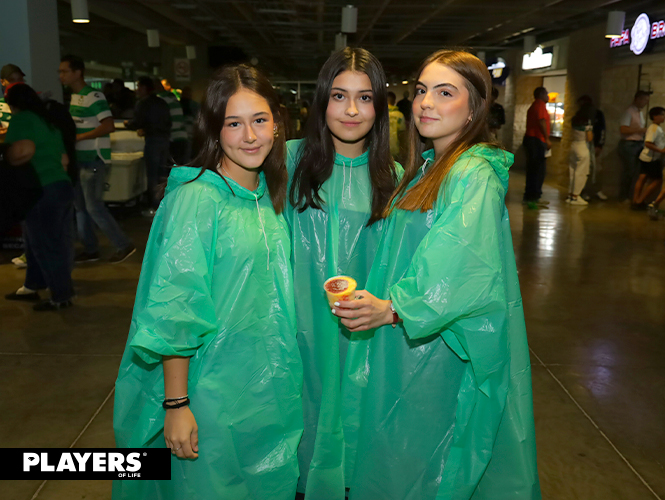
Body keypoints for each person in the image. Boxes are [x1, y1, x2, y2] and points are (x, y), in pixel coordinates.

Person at [334, 49, 540, 499]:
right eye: (422, 91)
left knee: (426, 462)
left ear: (475, 108)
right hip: (410, 348)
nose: (426, 102)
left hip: (440, 353)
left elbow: (462, 258)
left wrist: (394, 309)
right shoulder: (428, 168)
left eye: (445, 93)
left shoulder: (472, 172)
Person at [113, 64, 303, 500]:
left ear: (277, 123)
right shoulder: (198, 199)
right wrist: (177, 404)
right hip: (209, 393)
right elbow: (174, 308)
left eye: (259, 120)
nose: (250, 136)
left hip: (265, 389)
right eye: (233, 124)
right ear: (214, 130)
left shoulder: (266, 198)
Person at [285, 47, 401, 499]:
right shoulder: (286, 162)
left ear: (380, 107)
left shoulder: (393, 179)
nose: (351, 110)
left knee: (355, 434)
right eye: (339, 96)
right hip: (296, 335)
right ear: (321, 101)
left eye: (365, 97)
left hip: (366, 346)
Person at [3, 83, 75, 311]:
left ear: (13, 105)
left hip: (41, 190)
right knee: (38, 241)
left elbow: (24, 150)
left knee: (46, 245)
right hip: (61, 187)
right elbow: (64, 160)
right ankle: (32, 286)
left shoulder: (22, 120)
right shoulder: (48, 123)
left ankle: (60, 297)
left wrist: (7, 158)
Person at [59, 54, 136, 264]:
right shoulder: (74, 98)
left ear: (78, 72)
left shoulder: (94, 96)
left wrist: (79, 137)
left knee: (93, 207)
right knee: (81, 207)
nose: (61, 76)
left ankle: (123, 244)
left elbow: (108, 125)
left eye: (64, 71)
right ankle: (90, 249)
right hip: (79, 160)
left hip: (93, 159)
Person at [124, 76, 171, 214]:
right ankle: (164, 204)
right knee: (163, 174)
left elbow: (137, 122)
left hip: (152, 140)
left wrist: (128, 124)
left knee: (152, 175)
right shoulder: (162, 102)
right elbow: (168, 122)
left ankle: (155, 206)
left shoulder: (143, 103)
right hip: (165, 140)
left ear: (145, 88)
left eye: (139, 87)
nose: (137, 90)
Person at [619, 90, 650, 202]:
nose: (646, 102)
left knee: (636, 172)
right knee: (629, 171)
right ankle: (624, 196)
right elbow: (623, 129)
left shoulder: (639, 112)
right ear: (637, 99)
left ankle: (632, 195)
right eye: (644, 100)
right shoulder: (629, 112)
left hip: (638, 143)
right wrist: (640, 130)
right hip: (629, 144)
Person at [523, 86, 551, 205]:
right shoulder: (539, 104)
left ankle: (532, 196)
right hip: (536, 140)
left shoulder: (535, 104)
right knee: (538, 170)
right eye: (546, 94)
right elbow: (541, 121)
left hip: (532, 140)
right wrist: (547, 138)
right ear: (541, 94)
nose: (548, 96)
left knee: (534, 169)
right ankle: (533, 197)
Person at [633, 106, 665, 209]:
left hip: (646, 157)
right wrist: (661, 150)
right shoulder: (654, 128)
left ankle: (636, 200)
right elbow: (648, 143)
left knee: (642, 178)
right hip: (651, 158)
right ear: (655, 116)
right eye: (662, 115)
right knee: (657, 181)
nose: (664, 117)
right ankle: (640, 200)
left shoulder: (655, 127)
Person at [566, 102, 595, 206]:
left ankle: (570, 195)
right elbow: (589, 138)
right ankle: (575, 196)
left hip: (573, 145)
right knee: (581, 172)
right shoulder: (587, 122)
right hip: (582, 146)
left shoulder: (574, 120)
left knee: (572, 171)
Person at [155, 78, 188, 165]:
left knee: (170, 171)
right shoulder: (171, 96)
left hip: (172, 138)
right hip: (182, 136)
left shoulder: (159, 99)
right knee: (179, 169)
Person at [387, 90, 406, 160]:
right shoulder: (399, 115)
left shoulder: (378, 115)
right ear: (394, 102)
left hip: (379, 150)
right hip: (395, 150)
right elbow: (402, 134)